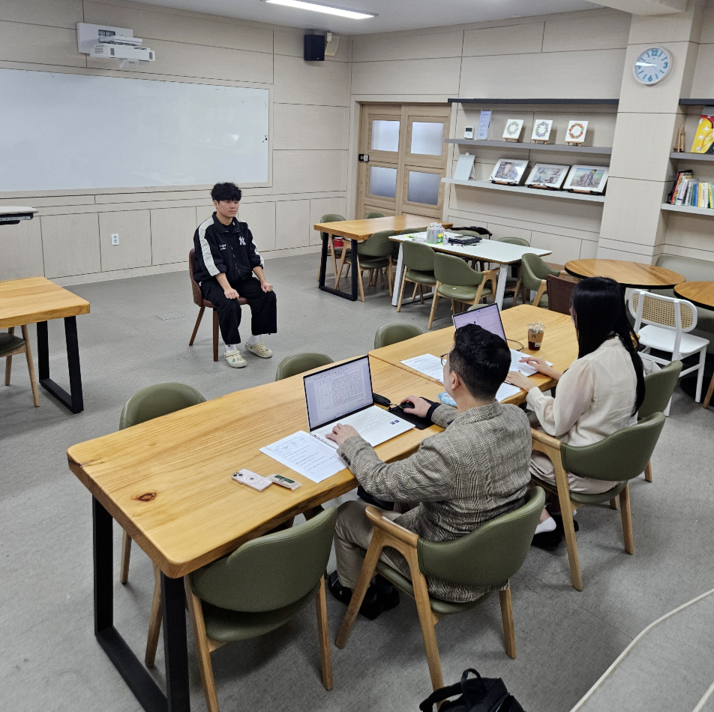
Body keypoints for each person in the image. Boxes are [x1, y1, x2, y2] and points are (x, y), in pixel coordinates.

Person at [326, 325, 532, 619]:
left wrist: (352, 442)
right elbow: (479, 423)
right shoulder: (517, 418)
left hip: (446, 569)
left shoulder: (447, 452)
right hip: (495, 554)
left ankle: (355, 592)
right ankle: (375, 572)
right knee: (401, 498)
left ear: (454, 380)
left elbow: (378, 481)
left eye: (446, 361)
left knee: (347, 513)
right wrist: (434, 410)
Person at [505, 277, 646, 548]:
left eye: (573, 307)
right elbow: (598, 390)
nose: (570, 312)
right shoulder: (627, 350)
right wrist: (557, 374)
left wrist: (530, 387)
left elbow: (556, 423)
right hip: (618, 462)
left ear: (584, 315)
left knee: (508, 437)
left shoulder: (587, 366)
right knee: (529, 421)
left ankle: (541, 519)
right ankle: (558, 508)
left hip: (584, 470)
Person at [192, 182, 277, 368]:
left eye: (236, 202)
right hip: (212, 281)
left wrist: (263, 281)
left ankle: (255, 341)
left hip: (240, 278)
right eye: (228, 202)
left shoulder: (243, 228)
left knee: (267, 295)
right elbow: (212, 263)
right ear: (215, 203)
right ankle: (230, 348)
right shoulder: (206, 230)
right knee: (229, 302)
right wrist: (227, 288)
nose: (233, 206)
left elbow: (254, 256)